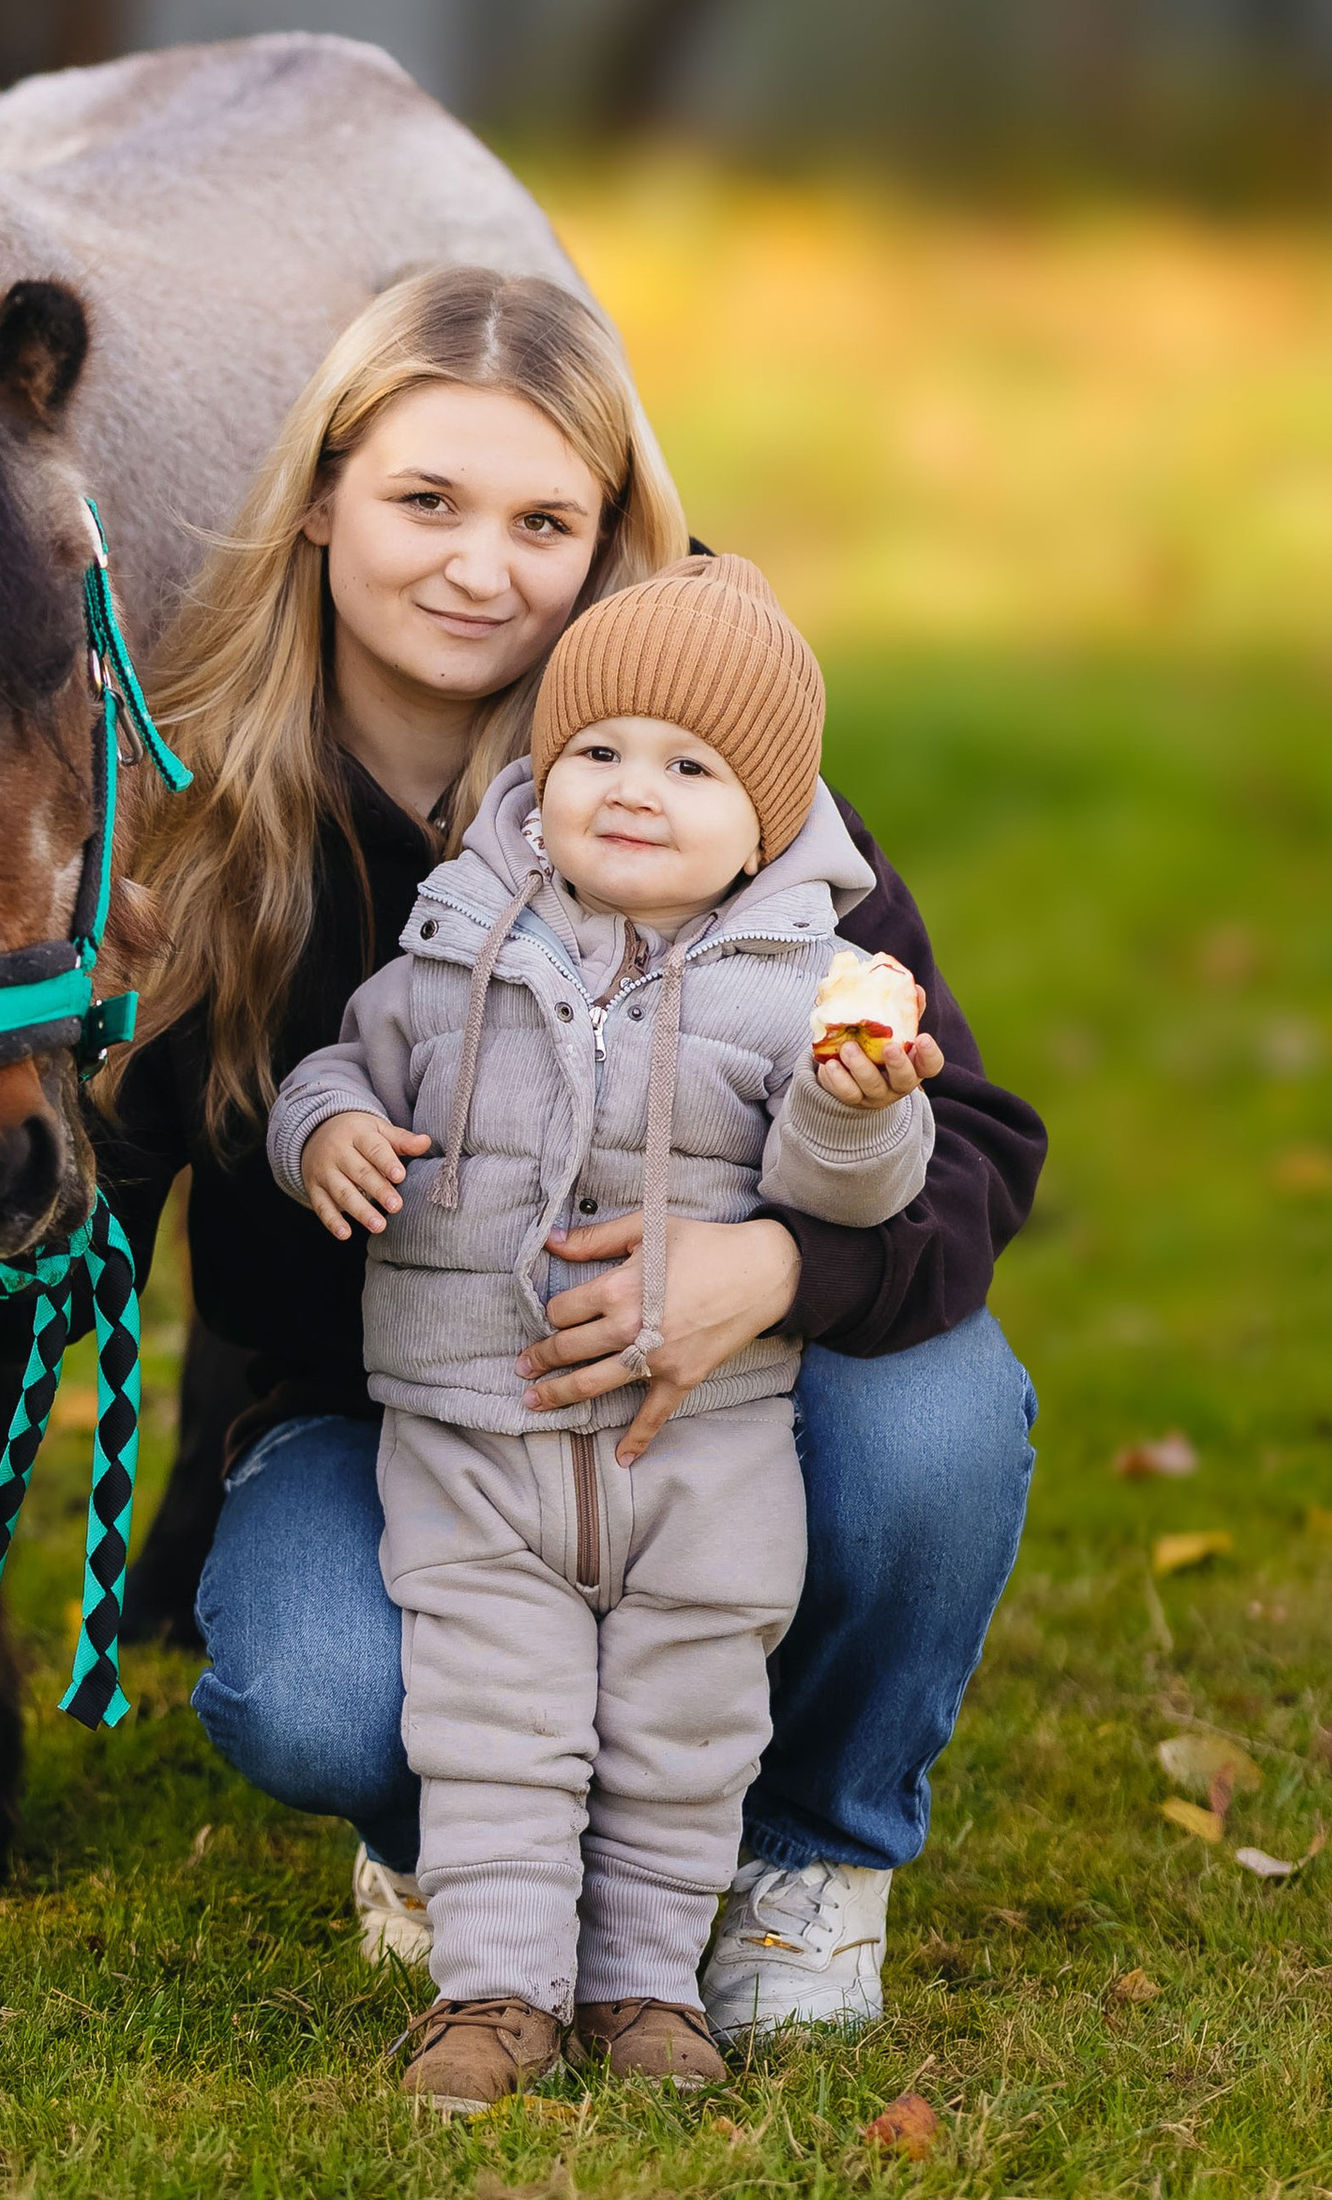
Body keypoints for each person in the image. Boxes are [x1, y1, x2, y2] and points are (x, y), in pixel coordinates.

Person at [97, 265, 1045, 2036]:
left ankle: (798, 1854)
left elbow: (976, 1132)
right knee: (310, 1687)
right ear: (320, 498)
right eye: (425, 500)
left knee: (933, 1413)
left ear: (611, 531)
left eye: (544, 517)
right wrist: (76, 1052)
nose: (481, 566)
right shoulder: (202, 802)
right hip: (394, 1413)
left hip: (712, 1407)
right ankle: (468, 1836)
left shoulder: (704, 768)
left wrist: (780, 1263)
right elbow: (93, 1172)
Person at [268, 552, 935, 2108]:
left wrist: (851, 1113)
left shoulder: (812, 988)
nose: (637, 788)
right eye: (599, 751)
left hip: (700, 1449)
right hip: (476, 1431)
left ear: (769, 817)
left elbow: (863, 1193)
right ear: (540, 771)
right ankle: (494, 1992)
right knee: (491, 1716)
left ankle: (645, 1982)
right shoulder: (455, 941)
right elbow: (334, 1066)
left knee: (681, 1725)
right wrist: (327, 1136)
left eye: (693, 767)